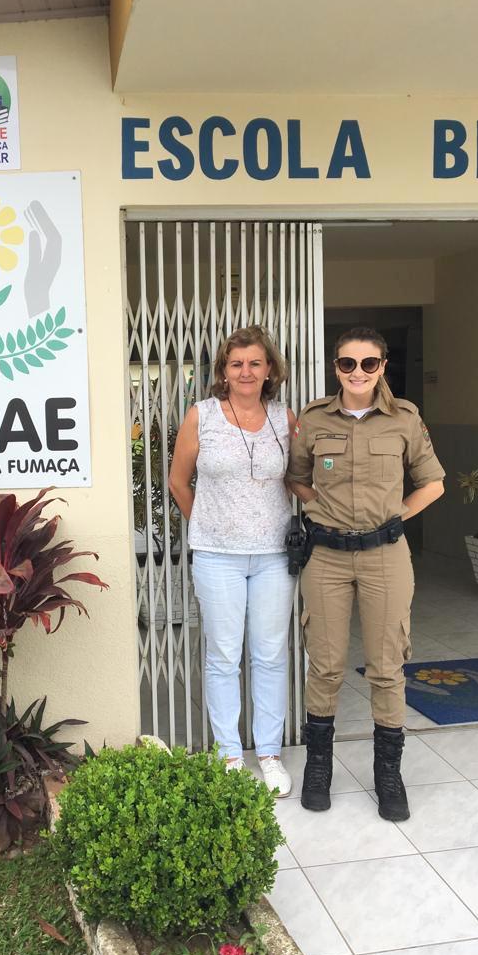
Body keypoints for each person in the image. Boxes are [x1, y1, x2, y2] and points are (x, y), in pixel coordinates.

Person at [287, 326, 445, 822]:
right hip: (327, 557)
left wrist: (396, 514)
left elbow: (433, 483)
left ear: (383, 366)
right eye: (348, 364)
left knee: (386, 665)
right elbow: (296, 476)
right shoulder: (313, 419)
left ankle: (388, 773)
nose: (358, 373)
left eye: (368, 363)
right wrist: (322, 509)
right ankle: (318, 769)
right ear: (336, 367)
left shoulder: (404, 419)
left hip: (385, 556)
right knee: (326, 664)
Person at [169, 326, 297, 796]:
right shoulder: (200, 415)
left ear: (270, 370)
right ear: (224, 371)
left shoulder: (286, 419)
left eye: (255, 363)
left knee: (269, 655)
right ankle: (228, 752)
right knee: (223, 656)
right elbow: (178, 481)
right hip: (218, 558)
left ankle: (268, 753)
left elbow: (297, 481)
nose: (246, 372)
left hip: (274, 557)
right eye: (236, 363)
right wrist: (209, 526)